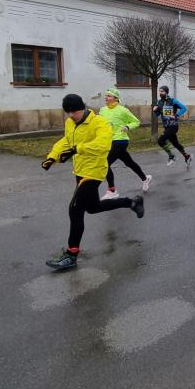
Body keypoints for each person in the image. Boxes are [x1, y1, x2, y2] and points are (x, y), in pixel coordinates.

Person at [42, 93, 144, 270]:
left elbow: (103, 145)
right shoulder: (70, 123)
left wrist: (77, 149)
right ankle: (131, 202)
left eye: (74, 112)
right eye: (68, 112)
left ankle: (71, 254)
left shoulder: (99, 123)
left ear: (83, 108)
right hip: (80, 170)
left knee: (75, 209)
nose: (71, 115)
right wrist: (53, 157)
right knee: (92, 207)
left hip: (95, 171)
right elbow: (67, 141)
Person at [99, 87, 151, 197]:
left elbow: (136, 121)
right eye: (106, 95)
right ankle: (145, 178)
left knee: (104, 164)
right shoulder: (102, 110)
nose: (106, 97)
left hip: (120, 140)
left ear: (116, 98)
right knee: (129, 162)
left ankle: (112, 190)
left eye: (109, 96)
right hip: (109, 141)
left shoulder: (122, 110)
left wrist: (127, 127)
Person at [153, 86, 192, 166]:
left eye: (162, 91)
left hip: (173, 126)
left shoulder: (173, 101)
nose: (160, 93)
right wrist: (155, 111)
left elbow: (184, 108)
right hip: (166, 126)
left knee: (160, 141)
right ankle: (187, 156)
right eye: (160, 91)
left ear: (166, 92)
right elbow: (157, 115)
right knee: (175, 143)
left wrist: (176, 115)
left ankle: (172, 156)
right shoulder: (159, 102)